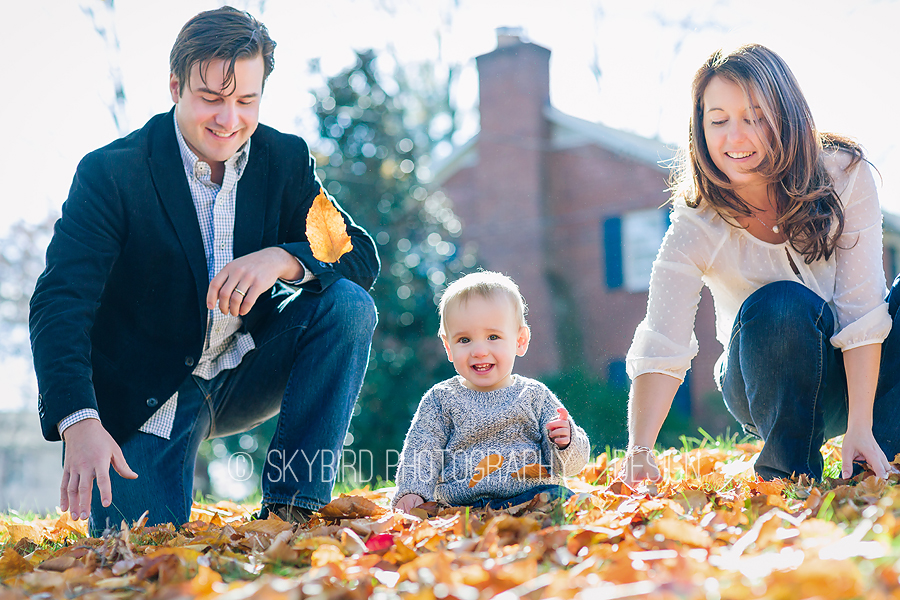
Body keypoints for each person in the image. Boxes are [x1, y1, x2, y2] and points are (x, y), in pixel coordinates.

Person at [29, 7, 379, 534]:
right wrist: (79, 421)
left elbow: (358, 256)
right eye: (211, 98)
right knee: (140, 549)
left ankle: (293, 508)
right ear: (175, 86)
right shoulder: (110, 174)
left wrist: (284, 258)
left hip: (245, 369)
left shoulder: (283, 159)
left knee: (348, 306)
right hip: (148, 395)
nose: (228, 119)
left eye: (246, 101)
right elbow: (60, 302)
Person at [621, 43, 900, 486]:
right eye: (718, 121)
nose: (735, 137)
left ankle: (877, 455)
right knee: (783, 304)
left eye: (755, 117)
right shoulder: (697, 225)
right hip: (764, 381)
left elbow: (862, 308)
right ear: (700, 129)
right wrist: (639, 450)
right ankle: (791, 474)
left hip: (858, 375)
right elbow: (662, 341)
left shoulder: (843, 174)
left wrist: (862, 423)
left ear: (787, 116)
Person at [392, 271, 590, 512]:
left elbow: (571, 465)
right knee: (434, 514)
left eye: (493, 337)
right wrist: (412, 491)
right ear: (448, 347)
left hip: (528, 497)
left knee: (559, 497)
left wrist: (565, 442)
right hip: (461, 506)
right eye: (464, 340)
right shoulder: (441, 399)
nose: (479, 351)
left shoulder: (534, 395)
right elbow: (422, 449)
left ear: (520, 341)